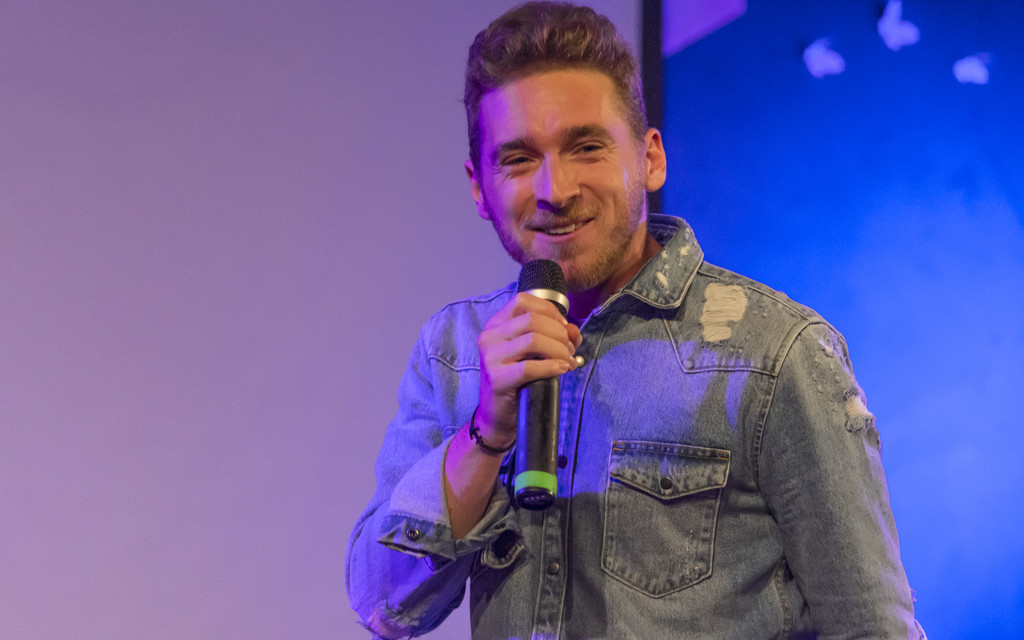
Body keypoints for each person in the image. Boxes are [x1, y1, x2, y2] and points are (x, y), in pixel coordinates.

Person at [346, 3, 925, 638]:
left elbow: (872, 627)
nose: (555, 189)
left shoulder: (775, 354)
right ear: (480, 187)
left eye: (586, 147)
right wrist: (486, 435)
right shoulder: (454, 353)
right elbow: (384, 605)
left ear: (650, 159)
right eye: (517, 159)